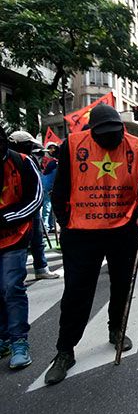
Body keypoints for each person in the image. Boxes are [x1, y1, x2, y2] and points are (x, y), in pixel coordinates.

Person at [45, 104, 138, 385]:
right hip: (81, 232)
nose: (111, 139)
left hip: (122, 229)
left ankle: (116, 329)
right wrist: (65, 222)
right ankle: (65, 350)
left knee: (122, 284)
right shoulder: (72, 145)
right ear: (92, 131)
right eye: (104, 135)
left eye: (115, 133)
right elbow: (59, 189)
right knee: (76, 291)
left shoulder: (137, 146)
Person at [0, 125, 43, 369]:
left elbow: (36, 198)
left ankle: (18, 341)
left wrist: (7, 217)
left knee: (11, 288)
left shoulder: (22, 162)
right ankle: (3, 337)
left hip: (15, 236)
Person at [8, 131, 59, 282]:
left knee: (37, 238)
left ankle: (41, 268)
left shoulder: (27, 160)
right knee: (17, 242)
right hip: (16, 207)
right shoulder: (13, 161)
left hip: (30, 205)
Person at [41, 142, 59, 232]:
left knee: (52, 207)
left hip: (53, 186)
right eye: (50, 148)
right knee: (47, 205)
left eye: (54, 148)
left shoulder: (55, 161)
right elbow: (45, 173)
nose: (52, 150)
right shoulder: (45, 160)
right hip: (47, 186)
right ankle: (45, 226)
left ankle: (51, 226)